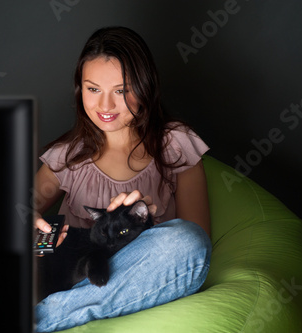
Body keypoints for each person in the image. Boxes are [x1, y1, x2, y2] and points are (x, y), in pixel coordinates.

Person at [34, 26, 212, 332]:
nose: (105, 106)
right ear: (80, 90)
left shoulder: (176, 144)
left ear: (145, 87)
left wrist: (149, 224)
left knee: (188, 242)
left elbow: (198, 245)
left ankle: (41, 321)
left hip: (140, 277)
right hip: (71, 276)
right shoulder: (68, 156)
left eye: (121, 90)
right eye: (93, 89)